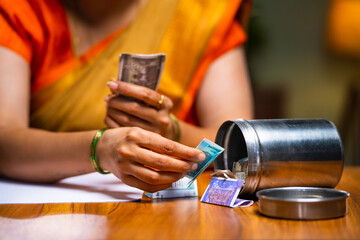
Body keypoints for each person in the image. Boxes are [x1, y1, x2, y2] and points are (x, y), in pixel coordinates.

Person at [0, 0, 253, 193]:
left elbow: (241, 146)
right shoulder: (21, 9)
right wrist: (101, 149)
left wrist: (172, 131)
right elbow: (5, 142)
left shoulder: (200, 11)